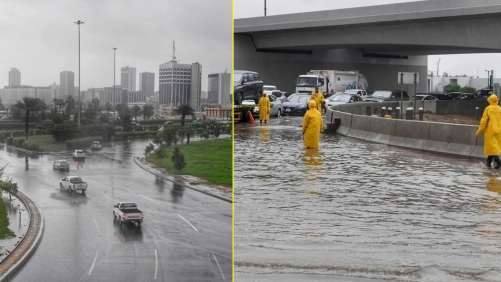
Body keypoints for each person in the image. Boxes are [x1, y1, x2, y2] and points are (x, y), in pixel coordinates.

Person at [476, 94, 501, 169]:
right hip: (499, 130)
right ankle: (488, 163)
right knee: (493, 147)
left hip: (490, 130)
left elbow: (484, 121)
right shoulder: (500, 108)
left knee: (492, 147)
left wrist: (479, 131)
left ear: (489, 100)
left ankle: (498, 162)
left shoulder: (488, 108)